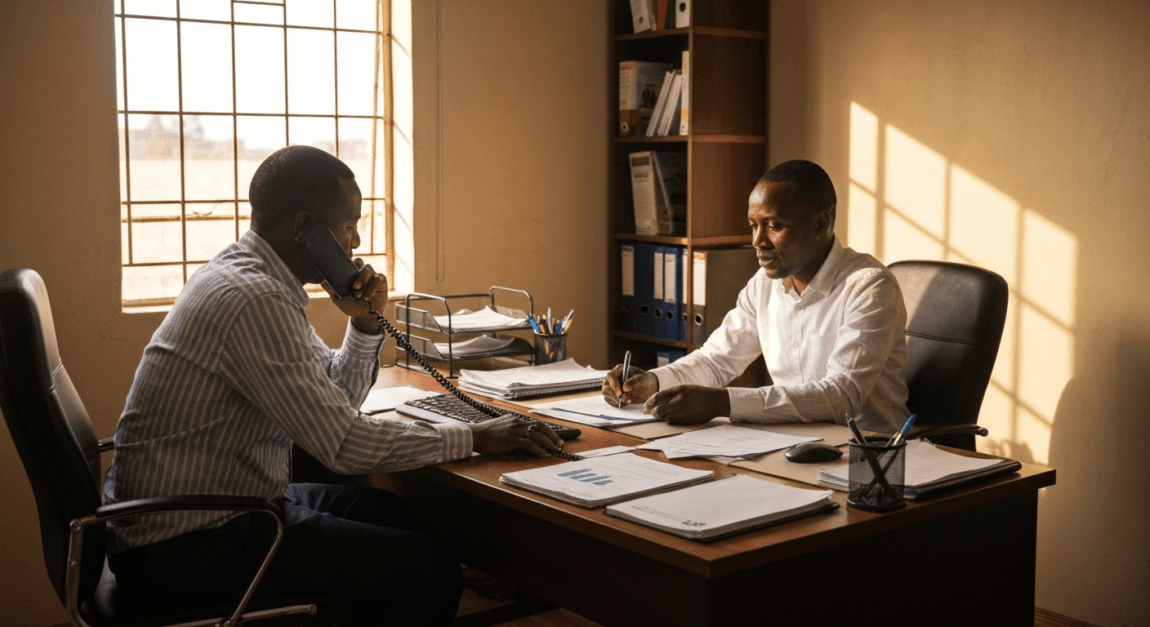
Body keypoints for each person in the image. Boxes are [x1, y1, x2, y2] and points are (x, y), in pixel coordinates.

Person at [103, 145, 563, 625]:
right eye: (348, 225)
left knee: (390, 513)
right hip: (186, 547)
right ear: (307, 228)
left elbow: (332, 402)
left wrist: (365, 326)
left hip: (208, 514)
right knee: (430, 573)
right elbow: (343, 444)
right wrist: (474, 436)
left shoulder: (254, 277)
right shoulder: (253, 299)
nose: (356, 241)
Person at [603, 159, 910, 433]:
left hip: (869, 458)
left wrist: (724, 402)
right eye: (753, 226)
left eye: (774, 226)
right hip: (791, 446)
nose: (757, 241)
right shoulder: (765, 283)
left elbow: (841, 396)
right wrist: (653, 382)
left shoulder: (870, 288)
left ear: (821, 223)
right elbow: (717, 360)